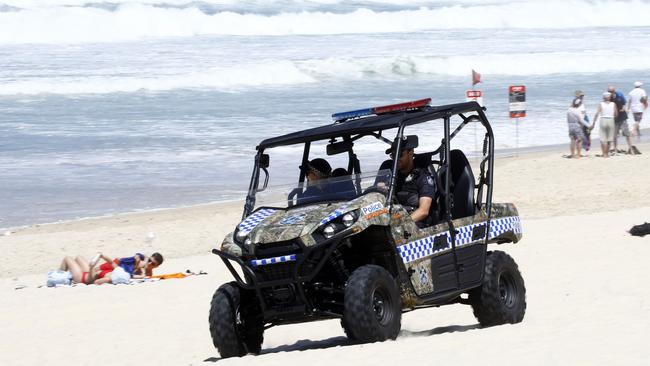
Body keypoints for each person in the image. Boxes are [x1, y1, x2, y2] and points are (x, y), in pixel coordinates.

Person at [387, 135, 435, 227]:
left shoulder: (423, 177)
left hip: (415, 225)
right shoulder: (392, 176)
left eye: (399, 154)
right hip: (394, 217)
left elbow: (423, 211)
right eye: (393, 155)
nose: (396, 158)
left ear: (411, 153)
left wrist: (401, 224)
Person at [58, 252, 163, 285]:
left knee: (68, 259)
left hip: (88, 276)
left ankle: (58, 277)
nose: (149, 263)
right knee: (78, 257)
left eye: (152, 263)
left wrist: (142, 273)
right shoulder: (140, 260)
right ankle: (61, 276)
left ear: (156, 266)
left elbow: (132, 275)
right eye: (149, 260)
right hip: (104, 269)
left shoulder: (146, 272)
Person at [592, 92, 618, 158]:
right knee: (609, 139)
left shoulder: (601, 104)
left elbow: (597, 113)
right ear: (609, 97)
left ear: (603, 97)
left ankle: (604, 154)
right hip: (611, 120)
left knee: (603, 139)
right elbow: (616, 114)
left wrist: (593, 122)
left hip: (603, 120)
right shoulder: (613, 104)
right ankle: (607, 153)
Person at [608, 85, 632, 154]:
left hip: (622, 117)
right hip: (614, 119)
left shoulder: (619, 94)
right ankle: (615, 149)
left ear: (614, 91)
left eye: (611, 91)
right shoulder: (608, 98)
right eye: (609, 91)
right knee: (614, 135)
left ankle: (630, 148)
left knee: (626, 133)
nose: (610, 93)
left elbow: (624, 103)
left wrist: (624, 108)